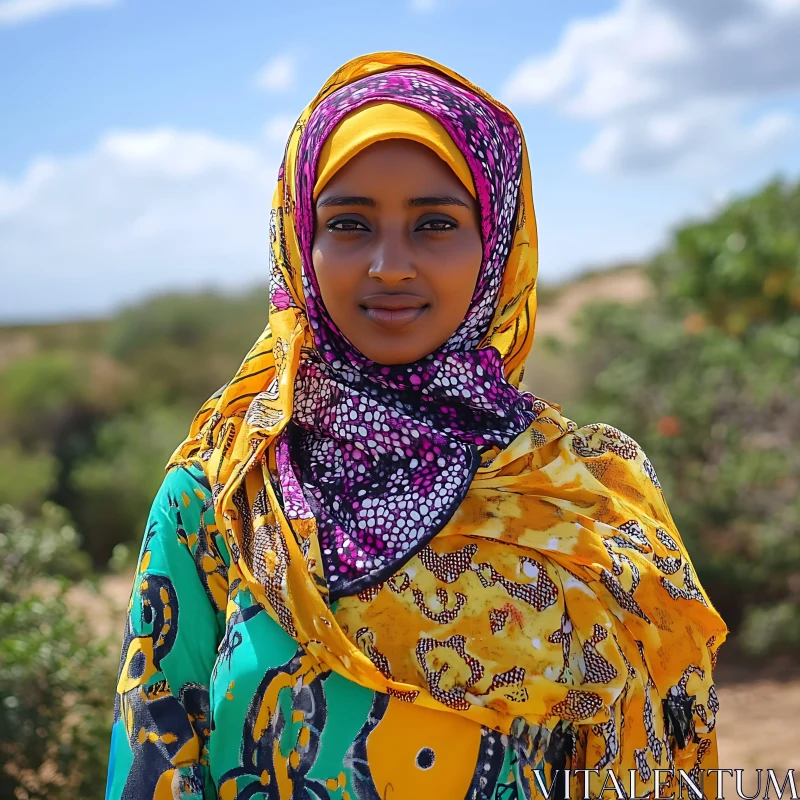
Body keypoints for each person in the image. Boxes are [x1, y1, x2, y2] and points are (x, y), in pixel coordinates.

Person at [105, 52, 728, 800]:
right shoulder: (223, 493)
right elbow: (157, 756)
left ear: (495, 243)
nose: (390, 265)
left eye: (436, 223)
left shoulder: (585, 491)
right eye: (349, 224)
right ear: (302, 241)